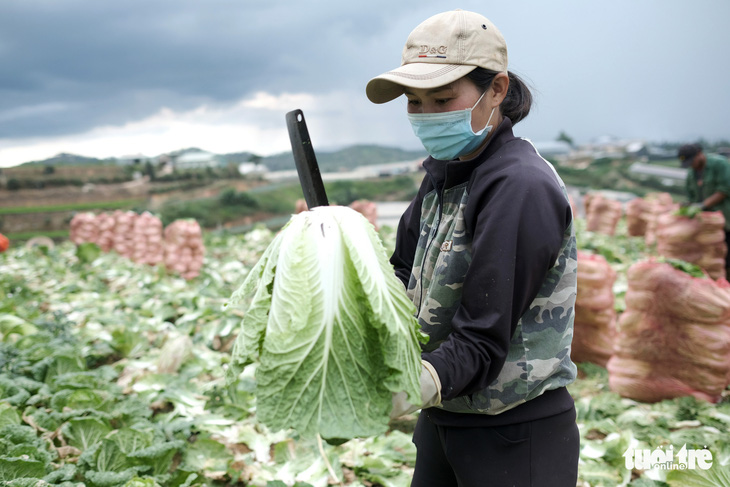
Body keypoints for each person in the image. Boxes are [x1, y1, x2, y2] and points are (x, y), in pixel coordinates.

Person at [366, 9, 579, 487]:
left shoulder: (520, 186)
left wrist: (409, 385)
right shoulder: (444, 174)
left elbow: (484, 336)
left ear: (497, 90)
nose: (425, 116)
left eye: (442, 99)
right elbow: (401, 274)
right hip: (445, 417)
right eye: (414, 102)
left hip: (513, 435)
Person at [678, 143, 730, 271]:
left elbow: (724, 189)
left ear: (699, 153)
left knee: (727, 251)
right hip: (706, 222)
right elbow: (691, 194)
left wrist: (703, 205)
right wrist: (688, 205)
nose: (691, 165)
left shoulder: (719, 164)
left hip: (725, 217)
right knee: (711, 253)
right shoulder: (692, 172)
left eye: (692, 161)